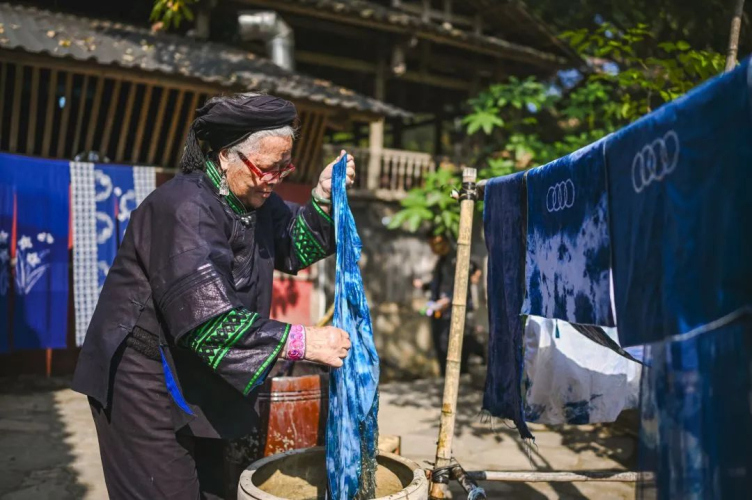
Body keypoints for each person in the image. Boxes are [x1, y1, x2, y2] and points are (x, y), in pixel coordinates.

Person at [72, 93, 355, 499]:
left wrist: (324, 196)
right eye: (268, 168)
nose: (275, 179)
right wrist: (303, 341)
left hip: (197, 370)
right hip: (142, 375)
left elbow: (295, 246)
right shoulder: (183, 208)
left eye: (284, 167)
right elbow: (208, 323)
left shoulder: (255, 200)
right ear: (226, 156)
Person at [414, 232, 486, 376]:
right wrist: (424, 286)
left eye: (437, 243)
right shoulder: (441, 261)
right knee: (441, 347)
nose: (434, 247)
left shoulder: (457, 260)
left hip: (454, 311)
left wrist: (448, 299)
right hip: (440, 311)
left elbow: (462, 285)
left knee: (458, 344)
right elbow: (439, 285)